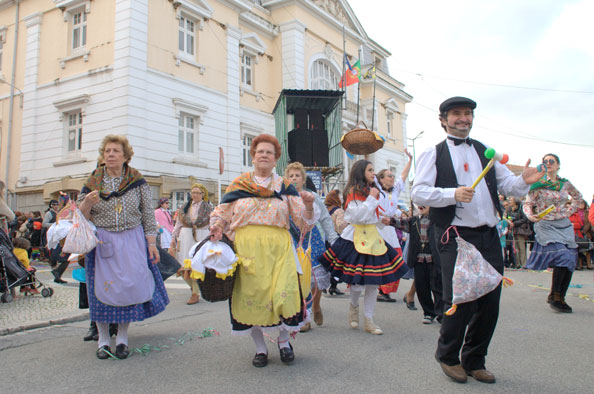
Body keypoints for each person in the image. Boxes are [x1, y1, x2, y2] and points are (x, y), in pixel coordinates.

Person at [412, 97, 543, 384]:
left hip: (488, 234)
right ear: (444, 120)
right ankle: (448, 356)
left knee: (489, 301)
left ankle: (474, 359)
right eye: (456, 114)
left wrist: (525, 180)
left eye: (467, 114)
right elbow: (419, 193)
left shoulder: (485, 151)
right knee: (460, 299)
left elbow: (508, 186)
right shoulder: (432, 154)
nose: (463, 118)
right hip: (455, 235)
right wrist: (452, 194)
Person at [209, 134, 318, 368]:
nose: (264, 155)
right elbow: (222, 212)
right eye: (260, 151)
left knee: (284, 295)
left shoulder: (285, 186)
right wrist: (217, 227)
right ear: (253, 155)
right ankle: (260, 348)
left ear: (276, 158)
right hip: (247, 250)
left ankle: (283, 342)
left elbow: (303, 222)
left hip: (279, 248)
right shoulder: (239, 184)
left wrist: (309, 206)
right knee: (252, 298)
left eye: (269, 152)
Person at [78, 134, 169, 360]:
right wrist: (86, 204)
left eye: (115, 151)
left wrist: (152, 244)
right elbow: (80, 218)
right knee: (101, 290)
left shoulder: (137, 181)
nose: (110, 154)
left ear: (126, 156)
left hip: (132, 240)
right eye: (107, 151)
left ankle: (122, 339)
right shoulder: (92, 182)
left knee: (128, 289)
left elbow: (148, 214)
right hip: (103, 241)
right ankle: (103, 340)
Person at [319, 159, 409, 336]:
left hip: (373, 238)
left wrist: (381, 221)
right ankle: (353, 307)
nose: (373, 173)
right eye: (370, 170)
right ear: (361, 172)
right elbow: (357, 217)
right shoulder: (354, 192)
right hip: (355, 239)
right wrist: (372, 198)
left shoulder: (372, 192)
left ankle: (369, 319)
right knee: (357, 283)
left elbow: (370, 217)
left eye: (373, 169)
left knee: (373, 283)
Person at [523, 153, 582, 313]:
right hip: (545, 224)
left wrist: (569, 211)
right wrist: (531, 215)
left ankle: (559, 296)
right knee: (562, 255)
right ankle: (556, 295)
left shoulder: (565, 184)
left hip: (563, 223)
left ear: (558, 165)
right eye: (545, 161)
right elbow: (528, 202)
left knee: (569, 259)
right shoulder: (538, 183)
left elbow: (578, 197)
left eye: (551, 161)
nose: (548, 163)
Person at [285, 162, 339, 332]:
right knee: (300, 279)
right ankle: (305, 315)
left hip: (312, 239)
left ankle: (316, 306)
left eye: (297, 175)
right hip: (293, 240)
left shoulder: (312, 196)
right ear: (287, 179)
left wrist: (333, 239)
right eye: (291, 176)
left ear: (303, 178)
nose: (294, 179)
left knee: (316, 278)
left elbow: (324, 218)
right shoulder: (284, 197)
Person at [391, 206, 442, 323]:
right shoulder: (414, 220)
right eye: (419, 203)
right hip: (418, 258)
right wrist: (389, 221)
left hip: (434, 258)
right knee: (421, 287)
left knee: (438, 286)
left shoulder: (438, 220)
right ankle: (428, 312)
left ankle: (441, 313)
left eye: (426, 203)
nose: (421, 206)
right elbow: (401, 223)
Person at [375, 154, 413, 302]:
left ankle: (385, 290)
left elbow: (403, 175)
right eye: (389, 176)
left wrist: (409, 160)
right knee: (382, 260)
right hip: (378, 228)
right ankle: (381, 291)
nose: (392, 178)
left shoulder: (395, 190)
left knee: (396, 258)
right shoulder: (377, 189)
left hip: (390, 228)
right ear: (381, 179)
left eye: (392, 175)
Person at [169, 183, 212, 305]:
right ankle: (194, 289)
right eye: (193, 192)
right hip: (185, 236)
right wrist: (173, 238)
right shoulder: (185, 207)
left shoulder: (208, 208)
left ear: (203, 195)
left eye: (198, 193)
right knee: (183, 266)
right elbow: (178, 224)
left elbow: (212, 224)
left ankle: (195, 293)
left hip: (201, 236)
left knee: (197, 265)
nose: (195, 195)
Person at [323, 190, 346, 295]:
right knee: (337, 264)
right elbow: (341, 225)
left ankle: (322, 285)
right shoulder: (339, 211)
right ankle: (333, 286)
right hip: (335, 239)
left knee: (325, 262)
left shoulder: (324, 209)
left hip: (324, 239)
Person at [508, 197, 532, 268]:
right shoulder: (510, 209)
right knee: (515, 248)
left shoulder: (521, 209)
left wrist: (515, 223)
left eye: (511, 200)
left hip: (520, 230)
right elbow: (508, 217)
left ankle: (523, 264)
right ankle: (517, 263)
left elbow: (525, 219)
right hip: (513, 230)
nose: (510, 201)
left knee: (521, 247)